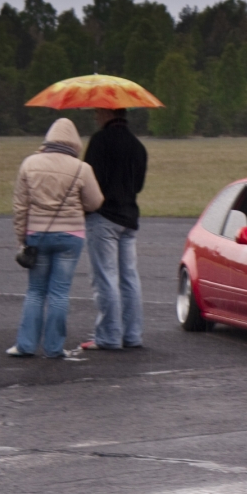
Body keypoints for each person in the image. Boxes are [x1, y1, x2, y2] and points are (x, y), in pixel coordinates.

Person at [9, 118, 103, 358]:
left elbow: (20, 206)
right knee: (59, 292)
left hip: (37, 234)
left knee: (35, 291)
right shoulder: (81, 168)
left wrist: (22, 238)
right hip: (70, 236)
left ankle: (26, 345)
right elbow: (95, 202)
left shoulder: (30, 163)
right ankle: (53, 347)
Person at [81, 107, 148, 350]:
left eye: (98, 112)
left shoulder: (100, 141)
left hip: (104, 216)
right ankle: (132, 334)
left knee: (105, 277)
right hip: (129, 216)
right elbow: (138, 186)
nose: (95, 116)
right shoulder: (138, 146)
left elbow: (89, 180)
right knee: (129, 277)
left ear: (108, 113)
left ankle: (109, 336)